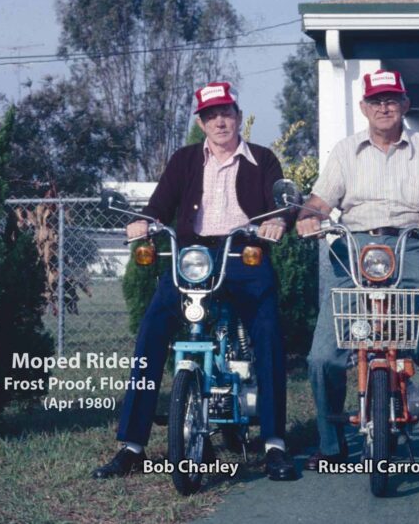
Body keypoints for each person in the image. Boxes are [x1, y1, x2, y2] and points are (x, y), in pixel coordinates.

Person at [93, 81, 298, 482]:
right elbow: (159, 206)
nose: (219, 121)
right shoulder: (185, 159)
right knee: (152, 329)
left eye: (226, 113)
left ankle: (275, 443)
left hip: (242, 253)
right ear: (202, 123)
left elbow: (282, 205)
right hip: (191, 257)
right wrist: (143, 222)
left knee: (268, 331)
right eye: (210, 115)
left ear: (238, 116)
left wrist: (277, 221)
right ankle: (131, 447)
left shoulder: (262, 159)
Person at [295, 69, 419, 474]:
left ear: (405, 105)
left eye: (391, 99)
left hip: (410, 246)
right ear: (364, 108)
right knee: (323, 357)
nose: (384, 107)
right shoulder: (345, 150)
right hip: (353, 247)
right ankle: (332, 445)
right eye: (375, 101)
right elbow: (318, 201)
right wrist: (307, 217)